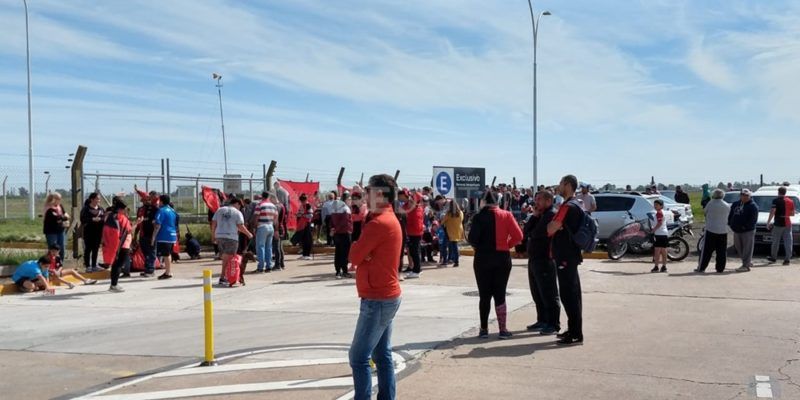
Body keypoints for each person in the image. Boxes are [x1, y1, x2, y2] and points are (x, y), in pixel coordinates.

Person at [348, 174, 403, 400]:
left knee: (358, 357)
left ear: (379, 194)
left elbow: (354, 255)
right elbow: (362, 256)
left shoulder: (379, 223)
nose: (364, 195)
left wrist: (361, 251)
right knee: (382, 355)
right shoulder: (384, 218)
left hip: (377, 298)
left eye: (368, 191)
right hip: (384, 295)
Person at [468, 189, 523, 339]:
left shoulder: (478, 217)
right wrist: (507, 245)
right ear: (497, 202)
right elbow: (519, 236)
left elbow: (472, 239)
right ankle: (503, 329)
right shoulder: (506, 215)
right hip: (502, 258)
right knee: (500, 294)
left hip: (482, 258)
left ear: (483, 202)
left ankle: (484, 329)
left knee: (484, 295)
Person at [547, 174, 586, 346]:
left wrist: (555, 225)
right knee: (573, 293)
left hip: (565, 256)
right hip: (570, 254)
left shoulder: (567, 206)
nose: (558, 186)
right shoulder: (576, 203)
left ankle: (576, 333)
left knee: (568, 294)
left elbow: (550, 229)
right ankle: (574, 329)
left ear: (568, 185)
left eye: (561, 183)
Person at [524, 190, 560, 336]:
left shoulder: (551, 214)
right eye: (536, 199)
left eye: (539, 200)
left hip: (545, 259)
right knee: (537, 292)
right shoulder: (540, 214)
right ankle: (542, 320)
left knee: (548, 293)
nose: (536, 202)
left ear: (548, 201)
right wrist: (534, 216)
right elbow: (526, 232)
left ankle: (553, 323)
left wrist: (533, 227)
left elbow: (537, 233)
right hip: (534, 259)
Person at [211, 197, 254, 285]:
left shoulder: (219, 210)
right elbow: (240, 226)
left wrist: (213, 236)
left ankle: (227, 276)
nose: (240, 208)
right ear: (237, 203)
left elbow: (214, 223)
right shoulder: (237, 213)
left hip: (219, 236)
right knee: (229, 259)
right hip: (231, 238)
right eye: (240, 206)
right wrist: (249, 234)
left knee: (225, 258)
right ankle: (224, 277)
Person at [696, 189, 731, 273]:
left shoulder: (711, 203)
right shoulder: (727, 205)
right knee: (721, 251)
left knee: (706, 250)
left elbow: (705, 212)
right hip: (723, 230)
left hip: (711, 229)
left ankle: (702, 267)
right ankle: (720, 268)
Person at [104, 196, 132, 293]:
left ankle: (114, 284)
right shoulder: (120, 218)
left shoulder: (112, 216)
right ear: (121, 209)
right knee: (118, 264)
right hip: (122, 245)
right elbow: (126, 232)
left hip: (118, 245)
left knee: (116, 264)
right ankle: (114, 285)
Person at [729, 189, 759, 272]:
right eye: (742, 195)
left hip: (748, 231)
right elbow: (731, 215)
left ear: (750, 196)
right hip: (736, 230)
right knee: (739, 247)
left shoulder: (753, 206)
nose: (744, 197)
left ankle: (745, 266)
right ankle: (747, 261)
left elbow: (753, 220)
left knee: (747, 248)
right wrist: (730, 224)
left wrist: (745, 227)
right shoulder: (735, 204)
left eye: (746, 195)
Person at [766, 186, 796, 265]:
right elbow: (793, 214)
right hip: (788, 223)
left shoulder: (775, 200)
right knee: (788, 242)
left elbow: (772, 212)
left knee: (776, 241)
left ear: (778, 192)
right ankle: (787, 259)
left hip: (778, 223)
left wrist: (768, 222)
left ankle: (773, 258)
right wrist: (785, 214)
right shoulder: (790, 201)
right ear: (785, 192)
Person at [152, 195, 178, 280]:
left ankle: (168, 272)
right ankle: (168, 271)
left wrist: (153, 237)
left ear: (161, 201)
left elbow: (158, 225)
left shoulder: (161, 210)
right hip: (172, 235)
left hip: (164, 235)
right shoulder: (172, 210)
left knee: (166, 255)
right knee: (168, 254)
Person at [399, 189, 424, 279]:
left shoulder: (417, 209)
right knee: (413, 252)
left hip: (415, 233)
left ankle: (416, 270)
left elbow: (416, 223)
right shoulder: (407, 206)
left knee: (415, 252)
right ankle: (415, 269)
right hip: (410, 232)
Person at [134, 191, 159, 277]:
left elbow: (156, 199)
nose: (145, 201)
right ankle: (147, 268)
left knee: (151, 252)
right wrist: (135, 235)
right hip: (142, 234)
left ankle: (150, 270)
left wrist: (138, 190)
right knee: (145, 253)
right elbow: (138, 223)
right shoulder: (140, 209)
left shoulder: (154, 208)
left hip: (151, 234)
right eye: (143, 200)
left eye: (147, 199)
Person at [79, 193, 105, 272]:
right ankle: (87, 266)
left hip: (98, 231)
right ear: (92, 199)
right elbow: (83, 219)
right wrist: (92, 219)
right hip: (89, 231)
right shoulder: (86, 209)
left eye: (99, 199)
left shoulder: (101, 209)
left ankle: (94, 265)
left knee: (96, 249)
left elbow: (104, 218)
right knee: (88, 249)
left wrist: (101, 219)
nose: (98, 200)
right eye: (97, 199)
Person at [253, 192, 278, 273]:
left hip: (262, 227)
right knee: (269, 247)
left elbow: (256, 217)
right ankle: (269, 266)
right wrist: (275, 229)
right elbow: (275, 219)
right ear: (269, 197)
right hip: (271, 226)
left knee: (260, 247)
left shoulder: (260, 205)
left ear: (262, 196)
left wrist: (255, 227)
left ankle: (260, 267)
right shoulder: (273, 206)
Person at [331, 192, 354, 279]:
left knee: (338, 252)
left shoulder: (335, 208)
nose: (351, 201)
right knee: (345, 253)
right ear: (346, 199)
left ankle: (337, 271)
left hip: (337, 234)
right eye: (350, 199)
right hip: (345, 233)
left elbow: (332, 221)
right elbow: (345, 222)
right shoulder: (345, 208)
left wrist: (333, 229)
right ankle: (344, 271)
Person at [43, 192, 69, 260]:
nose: (59, 200)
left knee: (61, 248)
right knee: (53, 249)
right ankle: (51, 264)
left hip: (60, 230)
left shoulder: (60, 206)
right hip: (51, 231)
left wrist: (62, 217)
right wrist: (62, 217)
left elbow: (66, 215)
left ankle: (60, 264)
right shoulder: (49, 208)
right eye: (58, 199)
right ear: (53, 199)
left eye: (60, 199)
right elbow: (56, 218)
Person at [443, 200, 464, 267]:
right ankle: (453, 260)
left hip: (450, 232)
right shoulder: (460, 212)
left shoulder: (449, 214)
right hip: (458, 231)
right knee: (454, 246)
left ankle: (451, 260)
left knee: (448, 246)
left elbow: (443, 221)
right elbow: (462, 219)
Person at [651, 199, 669, 273]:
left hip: (660, 234)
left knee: (657, 251)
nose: (655, 206)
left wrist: (653, 230)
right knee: (663, 250)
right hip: (663, 233)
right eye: (654, 205)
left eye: (657, 205)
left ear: (661, 206)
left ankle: (656, 266)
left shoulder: (659, 213)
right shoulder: (662, 212)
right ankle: (664, 266)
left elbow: (660, 223)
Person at [295, 194, 314, 260]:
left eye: (303, 201)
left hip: (307, 224)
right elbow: (300, 212)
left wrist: (303, 215)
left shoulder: (308, 205)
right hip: (302, 224)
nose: (302, 202)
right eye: (301, 201)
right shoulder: (302, 205)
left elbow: (311, 215)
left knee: (307, 239)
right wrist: (298, 214)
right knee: (303, 239)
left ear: (305, 200)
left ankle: (308, 254)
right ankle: (304, 254)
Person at [272, 194, 287, 270]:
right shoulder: (282, 205)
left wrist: (276, 230)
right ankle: (282, 264)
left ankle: (277, 265)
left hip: (278, 228)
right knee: (280, 247)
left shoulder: (277, 206)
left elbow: (276, 219)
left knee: (277, 247)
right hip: (281, 227)